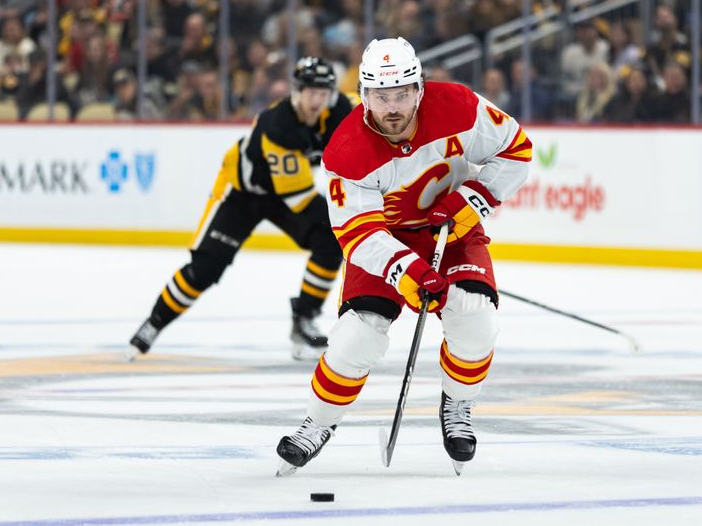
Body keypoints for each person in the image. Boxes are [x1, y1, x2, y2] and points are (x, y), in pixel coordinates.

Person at [275, 37, 531, 475]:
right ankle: (317, 424)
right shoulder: (346, 150)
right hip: (383, 244)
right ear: (364, 95)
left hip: (450, 231)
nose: (392, 108)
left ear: (419, 89)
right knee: (359, 335)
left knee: (474, 317)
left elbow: (516, 150)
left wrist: (473, 200)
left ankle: (458, 405)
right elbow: (358, 231)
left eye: (401, 95)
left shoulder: (460, 108)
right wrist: (405, 269)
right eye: (380, 96)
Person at [127, 57, 353, 362]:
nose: (318, 100)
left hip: (283, 192)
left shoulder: (340, 110)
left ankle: (304, 321)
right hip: (242, 193)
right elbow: (298, 198)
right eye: (311, 91)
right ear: (296, 90)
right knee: (205, 268)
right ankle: (153, 323)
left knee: (330, 236)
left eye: (324, 92)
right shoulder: (278, 126)